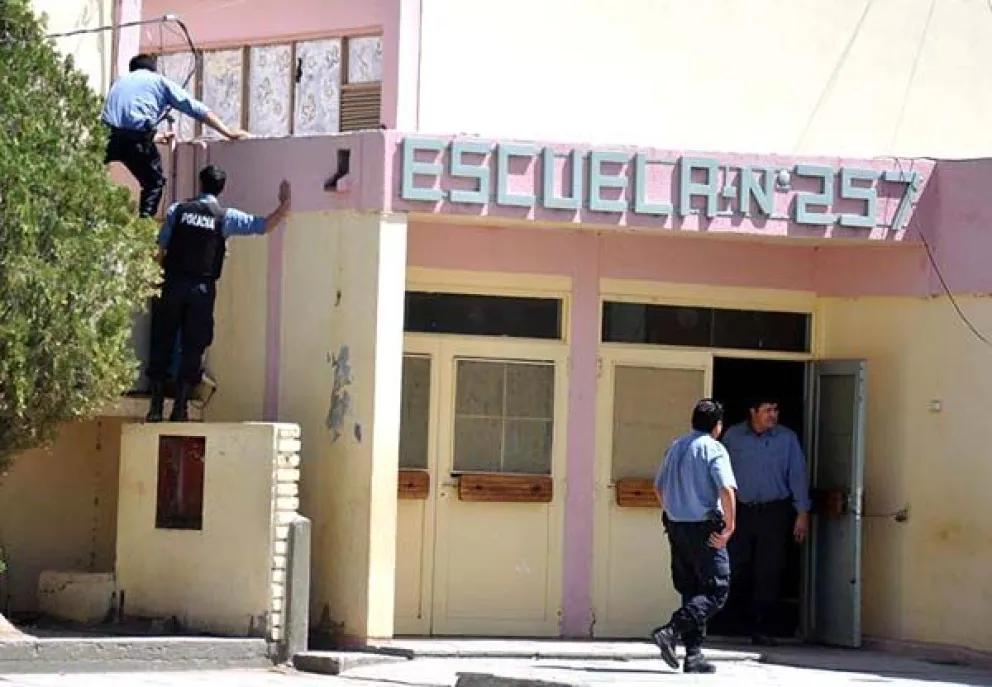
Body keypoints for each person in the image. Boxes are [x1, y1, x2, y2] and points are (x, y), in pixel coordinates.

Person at [145, 164, 292, 422]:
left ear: (200, 184)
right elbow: (262, 225)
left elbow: (160, 248)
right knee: (194, 346)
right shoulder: (225, 217)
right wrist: (284, 206)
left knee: (162, 339)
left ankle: (156, 407)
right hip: (201, 291)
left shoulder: (178, 210)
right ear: (222, 189)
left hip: (173, 284)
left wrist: (154, 281)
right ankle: (180, 407)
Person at [102, 53, 250, 218]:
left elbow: (123, 122)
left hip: (106, 137)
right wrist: (228, 132)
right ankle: (143, 224)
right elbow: (196, 109)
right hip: (137, 140)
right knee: (154, 183)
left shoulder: (118, 83)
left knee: (91, 171)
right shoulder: (159, 82)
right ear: (153, 69)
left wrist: (154, 137)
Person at [650, 399, 737, 674]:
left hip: (677, 526)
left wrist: (673, 512)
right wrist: (730, 526)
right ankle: (671, 630)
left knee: (691, 589)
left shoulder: (676, 446)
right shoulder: (714, 448)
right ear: (717, 426)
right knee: (715, 589)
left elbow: (658, 488)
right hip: (704, 528)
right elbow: (726, 489)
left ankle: (694, 654)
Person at [721, 396, 811, 646]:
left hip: (774, 511)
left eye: (776, 409)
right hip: (741, 511)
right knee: (735, 565)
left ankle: (762, 627)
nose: (773, 414)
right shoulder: (733, 437)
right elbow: (720, 473)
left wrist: (802, 512)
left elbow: (797, 475)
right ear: (753, 412)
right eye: (767, 410)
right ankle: (731, 622)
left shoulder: (787, 438)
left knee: (769, 569)